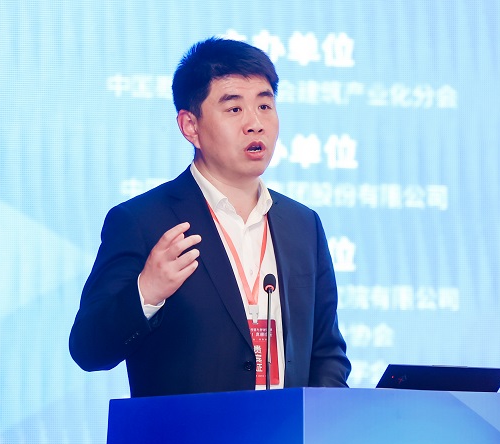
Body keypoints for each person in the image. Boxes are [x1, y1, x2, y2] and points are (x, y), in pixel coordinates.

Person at [69, 37, 351, 397]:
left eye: (265, 105)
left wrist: (322, 418)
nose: (255, 123)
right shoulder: (143, 221)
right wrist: (147, 291)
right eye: (234, 109)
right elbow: (89, 349)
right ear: (190, 126)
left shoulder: (303, 225)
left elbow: (327, 353)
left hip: (286, 432)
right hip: (188, 433)